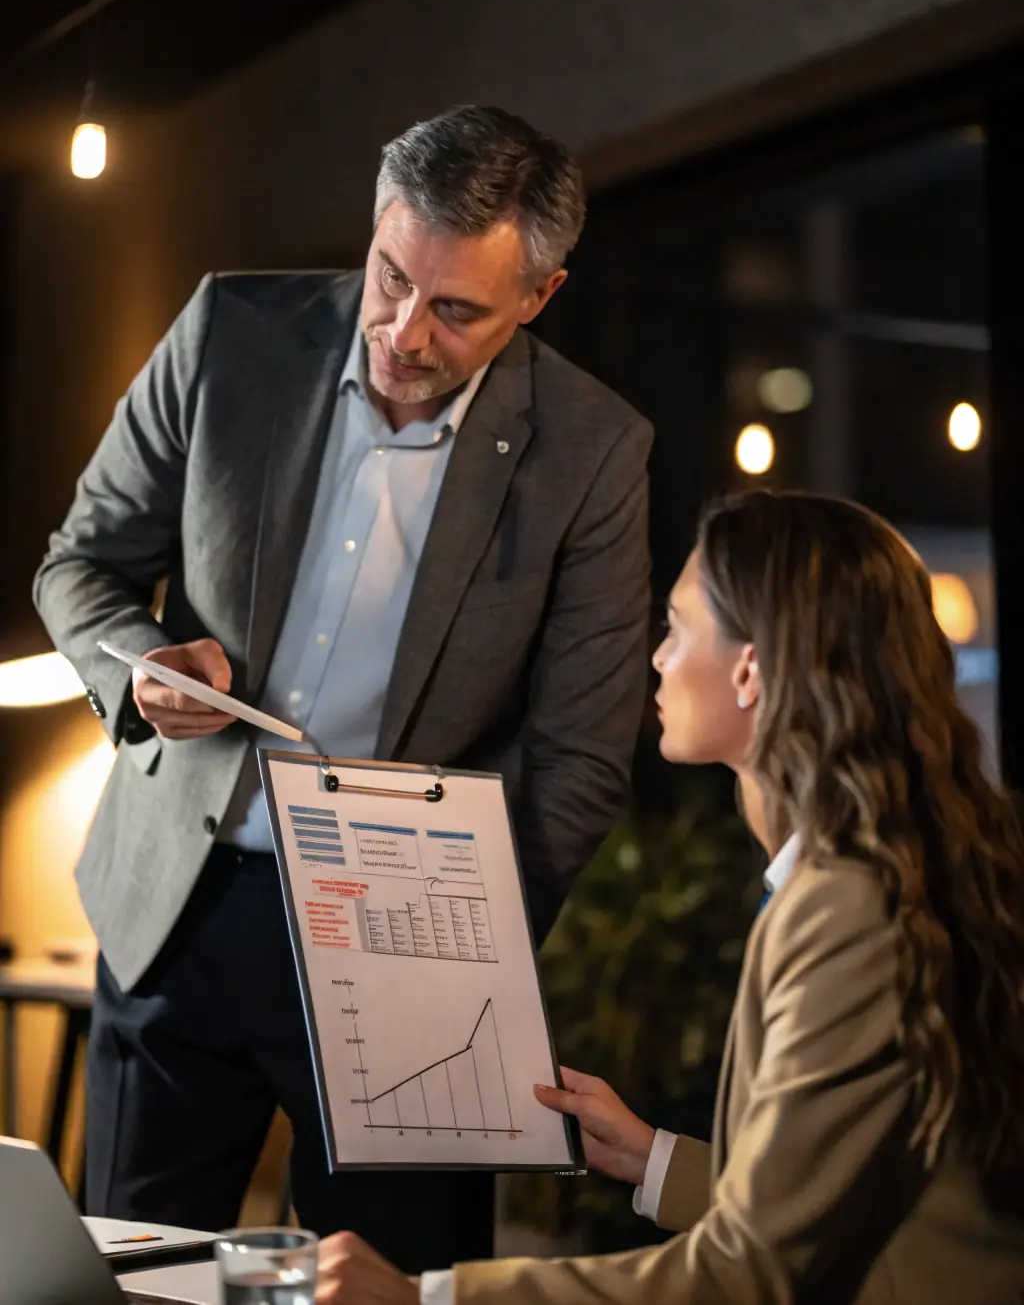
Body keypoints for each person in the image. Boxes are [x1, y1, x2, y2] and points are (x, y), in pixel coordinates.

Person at [33, 105, 653, 1270]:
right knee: (131, 1277)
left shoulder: (596, 451)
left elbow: (578, 765)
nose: (403, 331)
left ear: (540, 295)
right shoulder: (229, 330)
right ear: (376, 226)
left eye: (455, 309)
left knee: (393, 1290)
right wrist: (142, 674)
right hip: (181, 901)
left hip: (411, 950)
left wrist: (457, 956)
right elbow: (81, 564)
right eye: (389, 278)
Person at [314, 489, 1024, 1303]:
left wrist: (423, 1298)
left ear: (750, 669)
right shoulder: (883, 867)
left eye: (678, 627)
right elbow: (837, 1195)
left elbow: (746, 1272)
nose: (658, 657)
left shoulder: (844, 904)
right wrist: (653, 1156)